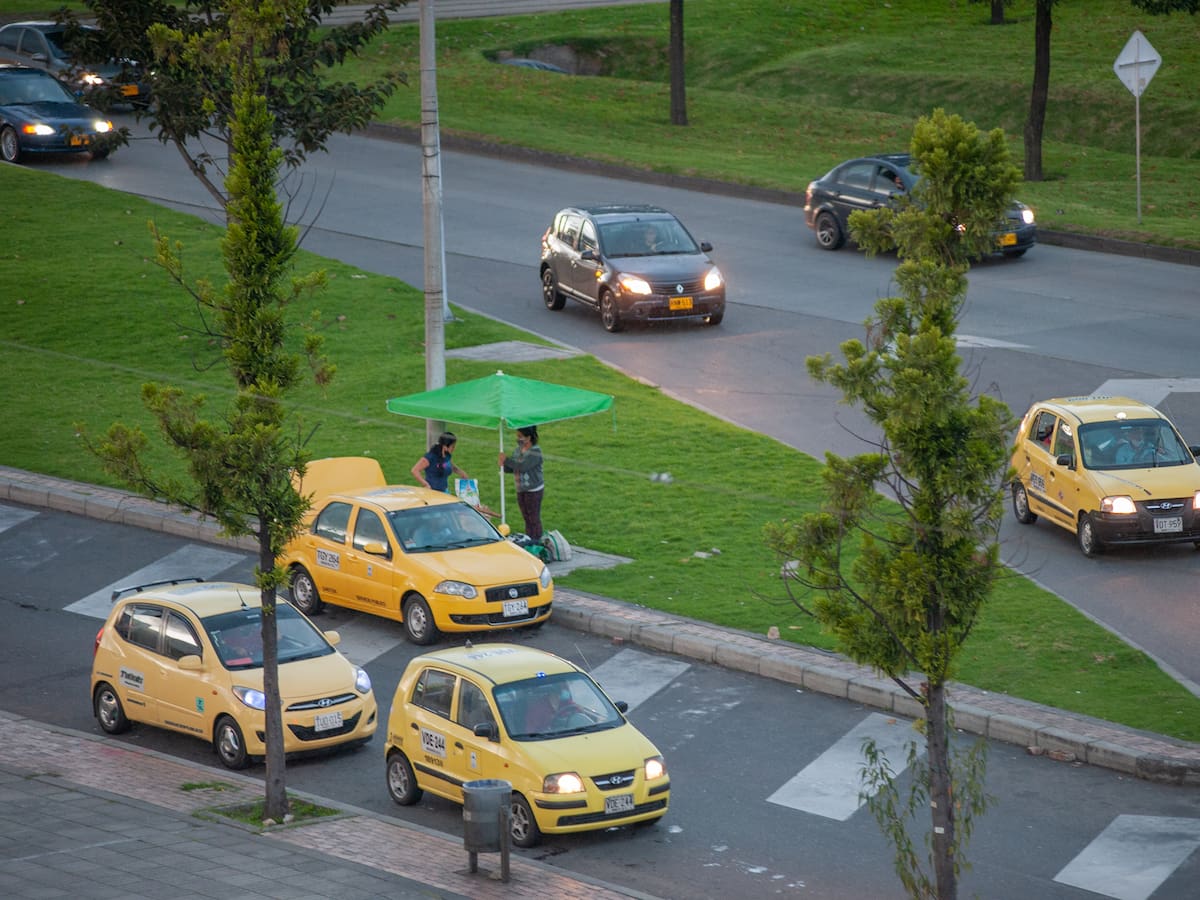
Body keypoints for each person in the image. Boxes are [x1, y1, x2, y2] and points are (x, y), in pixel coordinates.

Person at [499, 425, 544, 540]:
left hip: (533, 490)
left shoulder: (535, 452)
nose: (517, 438)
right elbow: (513, 468)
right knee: (526, 518)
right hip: (521, 489)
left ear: (528, 437)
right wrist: (503, 465)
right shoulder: (518, 450)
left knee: (533, 518)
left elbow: (523, 466)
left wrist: (507, 460)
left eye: (520, 436)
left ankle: (536, 541)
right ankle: (530, 539)